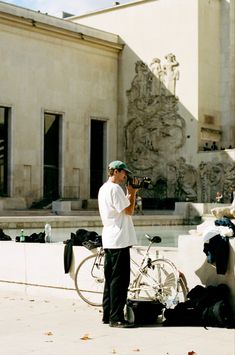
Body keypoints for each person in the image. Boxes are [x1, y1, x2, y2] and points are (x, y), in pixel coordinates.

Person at [98, 160, 138, 328]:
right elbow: (129, 211)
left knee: (110, 280)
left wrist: (128, 194)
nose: (125, 176)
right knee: (120, 282)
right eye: (123, 173)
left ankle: (107, 315)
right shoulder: (115, 189)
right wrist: (133, 192)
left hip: (109, 238)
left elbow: (120, 209)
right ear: (115, 171)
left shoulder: (104, 188)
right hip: (119, 239)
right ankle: (116, 318)